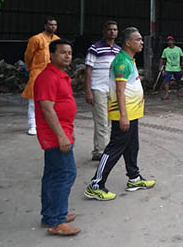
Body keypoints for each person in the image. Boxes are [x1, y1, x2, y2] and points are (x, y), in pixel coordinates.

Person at [84, 27, 155, 201]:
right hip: (124, 114)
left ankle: (134, 178)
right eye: (138, 39)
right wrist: (123, 116)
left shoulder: (130, 59)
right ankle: (96, 184)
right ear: (128, 43)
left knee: (132, 146)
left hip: (132, 113)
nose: (141, 42)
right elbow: (120, 91)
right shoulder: (122, 62)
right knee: (114, 148)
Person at [34, 39, 80, 236]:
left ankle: (50, 214)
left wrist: (69, 131)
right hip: (53, 135)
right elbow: (47, 109)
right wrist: (61, 136)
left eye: (69, 53)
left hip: (61, 132)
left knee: (53, 174)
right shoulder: (47, 77)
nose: (67, 56)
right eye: (62, 52)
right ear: (51, 55)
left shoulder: (60, 75)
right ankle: (57, 221)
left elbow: (62, 106)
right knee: (65, 174)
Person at [84, 21, 120, 161]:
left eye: (115, 29)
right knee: (102, 121)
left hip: (112, 90)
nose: (112, 32)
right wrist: (88, 90)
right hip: (98, 88)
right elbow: (88, 71)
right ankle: (100, 152)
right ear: (104, 31)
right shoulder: (95, 48)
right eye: (109, 29)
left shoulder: (118, 50)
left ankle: (103, 150)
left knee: (110, 121)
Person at [22, 17, 59, 135]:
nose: (52, 27)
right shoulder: (36, 39)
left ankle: (48, 124)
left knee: (52, 100)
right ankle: (33, 124)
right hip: (37, 72)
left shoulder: (58, 40)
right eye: (50, 24)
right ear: (45, 25)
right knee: (33, 101)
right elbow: (28, 56)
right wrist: (32, 69)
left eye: (54, 25)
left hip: (53, 74)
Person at [159, 35, 183, 100]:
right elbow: (162, 58)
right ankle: (167, 94)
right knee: (166, 81)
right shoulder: (165, 50)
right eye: (168, 41)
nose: (170, 42)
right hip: (168, 68)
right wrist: (160, 66)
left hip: (177, 68)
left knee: (178, 81)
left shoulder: (178, 49)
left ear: (173, 41)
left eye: (171, 40)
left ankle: (178, 92)